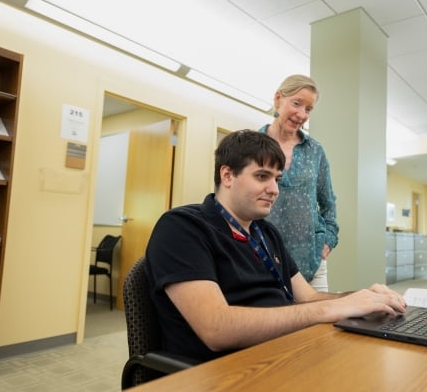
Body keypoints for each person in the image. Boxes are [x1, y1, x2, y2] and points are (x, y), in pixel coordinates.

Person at [144, 129, 406, 364]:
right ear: (227, 175)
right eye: (262, 176)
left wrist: (362, 297)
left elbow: (309, 297)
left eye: (277, 179)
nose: (274, 189)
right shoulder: (181, 227)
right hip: (227, 372)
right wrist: (328, 309)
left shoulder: (266, 233)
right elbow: (216, 328)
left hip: (285, 351)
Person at [259, 74, 338, 292]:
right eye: (296, 103)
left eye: (308, 109)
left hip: (312, 264)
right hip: (263, 261)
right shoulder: (254, 145)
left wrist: (327, 242)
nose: (302, 114)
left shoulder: (315, 150)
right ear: (278, 99)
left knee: (320, 325)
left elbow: (328, 203)